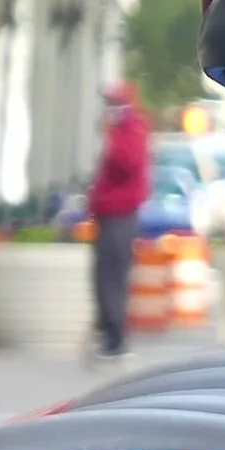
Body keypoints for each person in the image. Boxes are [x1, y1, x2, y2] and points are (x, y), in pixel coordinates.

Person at [86, 78, 153, 358]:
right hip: (109, 211)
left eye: (111, 103)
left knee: (112, 275)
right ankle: (106, 332)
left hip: (120, 212)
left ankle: (115, 338)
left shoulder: (130, 128)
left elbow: (125, 162)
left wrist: (110, 137)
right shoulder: (121, 128)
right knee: (103, 275)